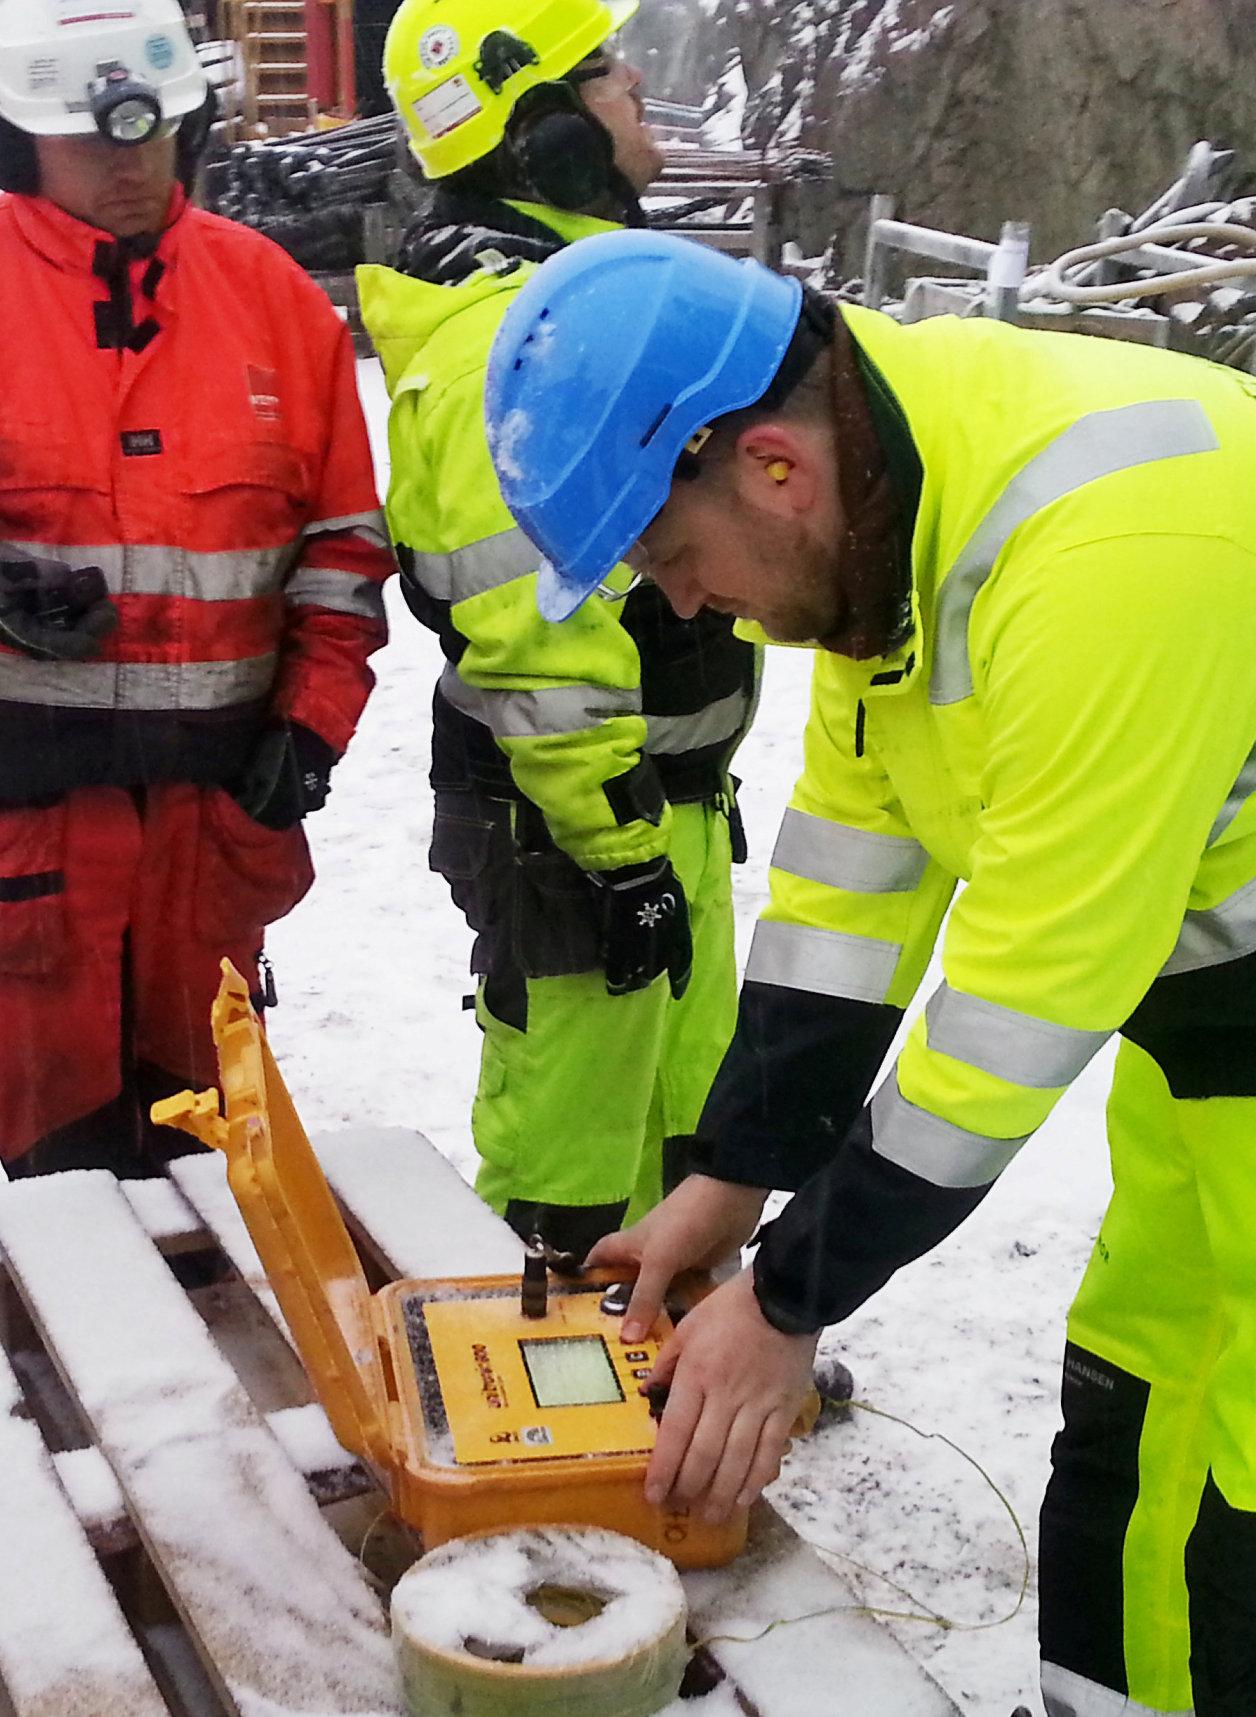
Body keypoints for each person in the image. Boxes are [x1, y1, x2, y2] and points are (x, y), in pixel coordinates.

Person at [481, 230, 1256, 1715]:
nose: (686, 605)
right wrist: (731, 1174)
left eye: (666, 554)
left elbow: (1024, 993)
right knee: (1131, 1415)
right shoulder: (889, 510)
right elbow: (855, 867)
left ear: (768, 466)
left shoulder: (1114, 549)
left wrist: (785, 1301)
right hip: (1241, 1009)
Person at [0, 0, 391, 1189]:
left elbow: (340, 552)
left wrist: (310, 725)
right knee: (53, 1208)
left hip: (214, 837)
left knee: (220, 1188)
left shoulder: (273, 302)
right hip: (19, 853)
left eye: (152, 132)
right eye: (92, 139)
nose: (129, 165)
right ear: (10, 137)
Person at [355, 0, 757, 1258]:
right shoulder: (506, 334)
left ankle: (679, 1362)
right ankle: (539, 1417)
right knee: (570, 1157)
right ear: (540, 127)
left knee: (688, 1118)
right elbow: (533, 627)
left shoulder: (581, 296)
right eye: (596, 70)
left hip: (661, 796)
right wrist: (617, 852)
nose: (630, 82)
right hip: (574, 825)